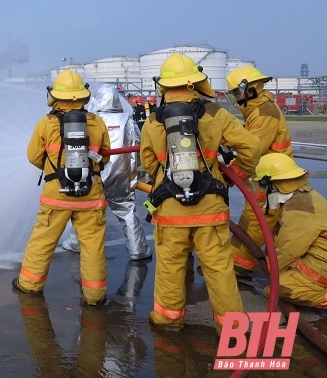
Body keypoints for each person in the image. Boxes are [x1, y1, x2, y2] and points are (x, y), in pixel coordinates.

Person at [141, 53, 260, 333]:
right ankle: (233, 328)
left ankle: (168, 320)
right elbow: (252, 147)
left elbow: (148, 162)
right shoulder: (215, 114)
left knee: (170, 267)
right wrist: (236, 175)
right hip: (210, 209)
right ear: (194, 84)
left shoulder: (153, 121)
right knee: (219, 269)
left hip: (169, 210)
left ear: (165, 87)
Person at [13, 70, 111, 305]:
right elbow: (105, 158)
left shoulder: (46, 123)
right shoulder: (96, 123)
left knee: (43, 241)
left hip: (56, 193)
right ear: (82, 96)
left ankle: (29, 285)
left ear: (56, 96)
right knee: (92, 246)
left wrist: (54, 171)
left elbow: (33, 156)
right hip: (91, 195)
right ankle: (95, 296)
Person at [60, 84, 152, 261]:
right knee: (127, 212)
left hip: (95, 174)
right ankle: (138, 250)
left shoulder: (91, 120)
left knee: (85, 211)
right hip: (122, 177)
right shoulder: (128, 120)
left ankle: (76, 243)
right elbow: (138, 145)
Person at [224, 65, 294, 277]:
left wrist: (229, 174)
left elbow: (252, 151)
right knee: (269, 225)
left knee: (256, 220)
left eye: (237, 92)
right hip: (268, 177)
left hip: (270, 179)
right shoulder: (257, 111)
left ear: (250, 90)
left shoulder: (264, 113)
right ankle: (277, 264)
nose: (236, 99)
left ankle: (238, 265)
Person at [254, 154, 327, 308]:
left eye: (263, 185)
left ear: (273, 185)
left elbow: (289, 249)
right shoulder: (300, 196)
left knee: (274, 290)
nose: (262, 190)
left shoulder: (299, 208)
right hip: (317, 258)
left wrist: (272, 269)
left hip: (321, 268)